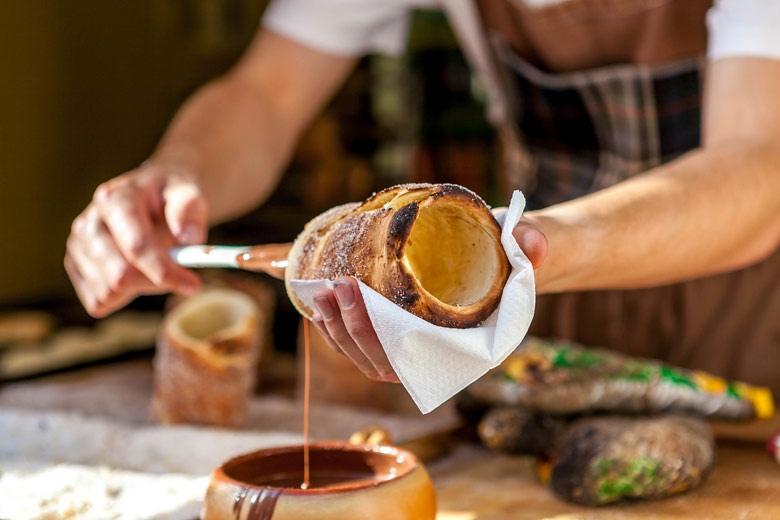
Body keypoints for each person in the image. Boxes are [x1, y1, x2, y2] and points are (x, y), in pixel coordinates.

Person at [65, 0, 780, 393]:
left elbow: (757, 170)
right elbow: (266, 94)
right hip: (557, 327)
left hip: (743, 317)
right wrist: (177, 173)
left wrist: (528, 253)